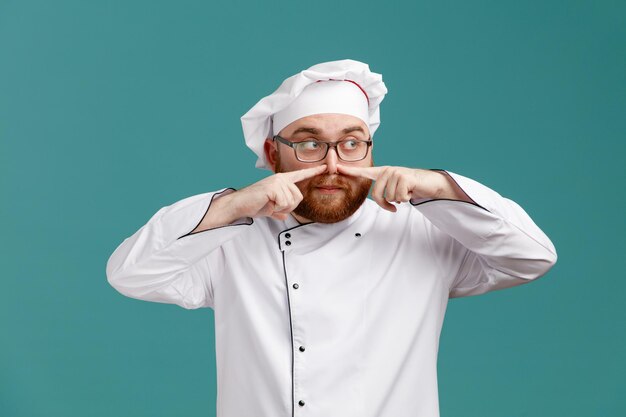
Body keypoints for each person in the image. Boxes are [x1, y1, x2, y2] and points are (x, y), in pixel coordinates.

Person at [106, 59, 557, 417]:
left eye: (351, 143)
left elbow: (532, 257)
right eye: (309, 144)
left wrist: (438, 186)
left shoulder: (422, 229)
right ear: (272, 152)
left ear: (370, 148)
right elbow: (131, 275)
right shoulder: (231, 239)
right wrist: (234, 205)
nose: (333, 165)